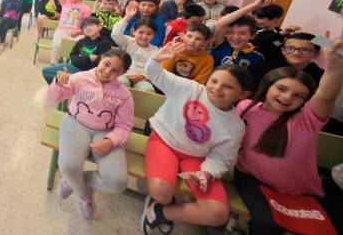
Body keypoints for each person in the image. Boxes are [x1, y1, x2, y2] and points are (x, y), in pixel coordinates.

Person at [141, 38, 254, 232]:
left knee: (217, 214)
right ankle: (161, 201)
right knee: (161, 191)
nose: (217, 88)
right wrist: (157, 59)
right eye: (214, 81)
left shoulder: (235, 126)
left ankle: (160, 212)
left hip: (198, 157)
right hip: (164, 141)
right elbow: (154, 73)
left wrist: (207, 173)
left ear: (242, 94)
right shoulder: (190, 88)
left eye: (228, 87)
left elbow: (222, 157)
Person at [234, 33, 343, 235]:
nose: (286, 97)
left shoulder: (307, 119)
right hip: (251, 177)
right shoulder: (246, 107)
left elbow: (326, 95)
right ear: (267, 86)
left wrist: (335, 68)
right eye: (281, 88)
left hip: (299, 189)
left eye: (298, 95)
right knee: (268, 225)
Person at [49, 49, 134, 220]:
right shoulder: (79, 78)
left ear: (123, 73)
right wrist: (58, 83)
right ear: (101, 59)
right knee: (68, 166)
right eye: (107, 64)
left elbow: (125, 125)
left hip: (105, 132)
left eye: (116, 70)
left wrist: (110, 141)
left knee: (117, 183)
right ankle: (85, 197)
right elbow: (53, 98)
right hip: (75, 123)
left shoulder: (124, 94)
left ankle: (72, 182)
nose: (108, 71)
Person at [41, 17, 113, 84]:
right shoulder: (81, 42)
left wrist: (81, 58)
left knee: (69, 77)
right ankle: (62, 90)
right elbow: (73, 57)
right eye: (84, 28)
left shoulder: (105, 44)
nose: (87, 28)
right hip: (75, 67)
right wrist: (88, 58)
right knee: (46, 71)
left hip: (89, 73)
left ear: (100, 26)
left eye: (90, 25)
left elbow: (99, 64)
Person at [210, 0, 273, 69]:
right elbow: (221, 23)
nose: (235, 37)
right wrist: (255, 5)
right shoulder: (220, 44)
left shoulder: (257, 57)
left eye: (242, 33)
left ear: (252, 35)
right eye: (230, 32)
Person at [111, 3, 159, 92]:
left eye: (149, 34)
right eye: (141, 32)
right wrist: (128, 16)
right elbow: (115, 34)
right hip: (124, 74)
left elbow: (156, 71)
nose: (144, 36)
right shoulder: (127, 42)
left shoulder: (156, 50)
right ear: (134, 31)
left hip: (142, 80)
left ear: (154, 35)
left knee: (148, 89)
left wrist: (143, 77)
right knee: (120, 82)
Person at [51, 0, 90, 65]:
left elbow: (86, 26)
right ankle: (54, 64)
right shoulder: (65, 2)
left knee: (76, 48)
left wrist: (78, 32)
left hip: (77, 32)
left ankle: (73, 65)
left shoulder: (86, 8)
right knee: (56, 45)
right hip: (62, 29)